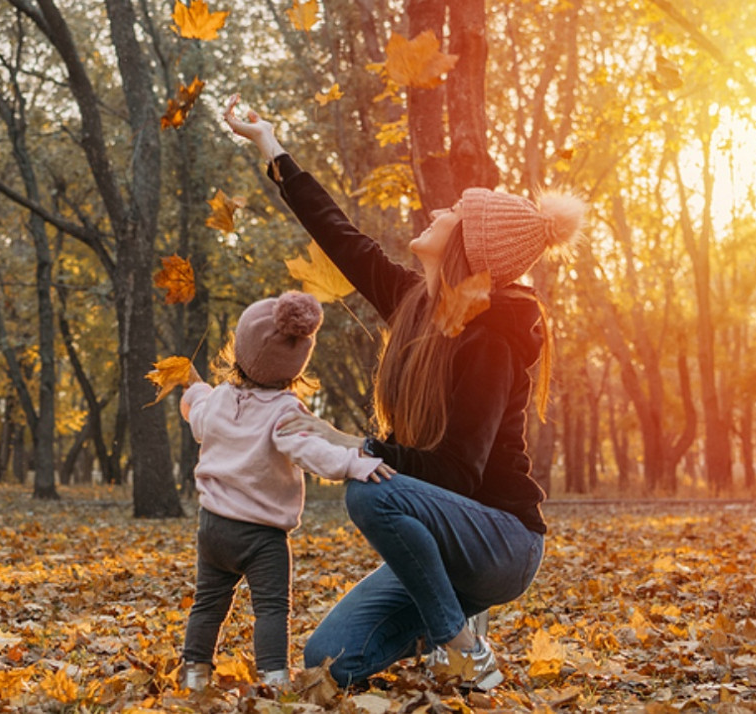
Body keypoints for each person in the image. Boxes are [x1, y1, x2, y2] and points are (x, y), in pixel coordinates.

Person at [223, 94, 586, 691]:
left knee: (369, 492)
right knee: (326, 663)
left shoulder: (492, 343)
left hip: (502, 543)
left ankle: (461, 645)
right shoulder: (420, 309)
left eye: (455, 212)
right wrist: (270, 145)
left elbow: (457, 474)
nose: (440, 209)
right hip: (451, 546)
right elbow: (341, 237)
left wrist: (354, 446)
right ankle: (459, 626)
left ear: (470, 245)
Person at [177, 290, 395, 691]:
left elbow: (198, 415)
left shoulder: (221, 398)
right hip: (262, 536)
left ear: (239, 348)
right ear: (295, 364)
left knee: (208, 604)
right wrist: (355, 463)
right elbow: (313, 452)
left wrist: (192, 394)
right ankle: (275, 679)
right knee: (272, 608)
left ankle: (194, 673)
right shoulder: (284, 411)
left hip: (213, 527)